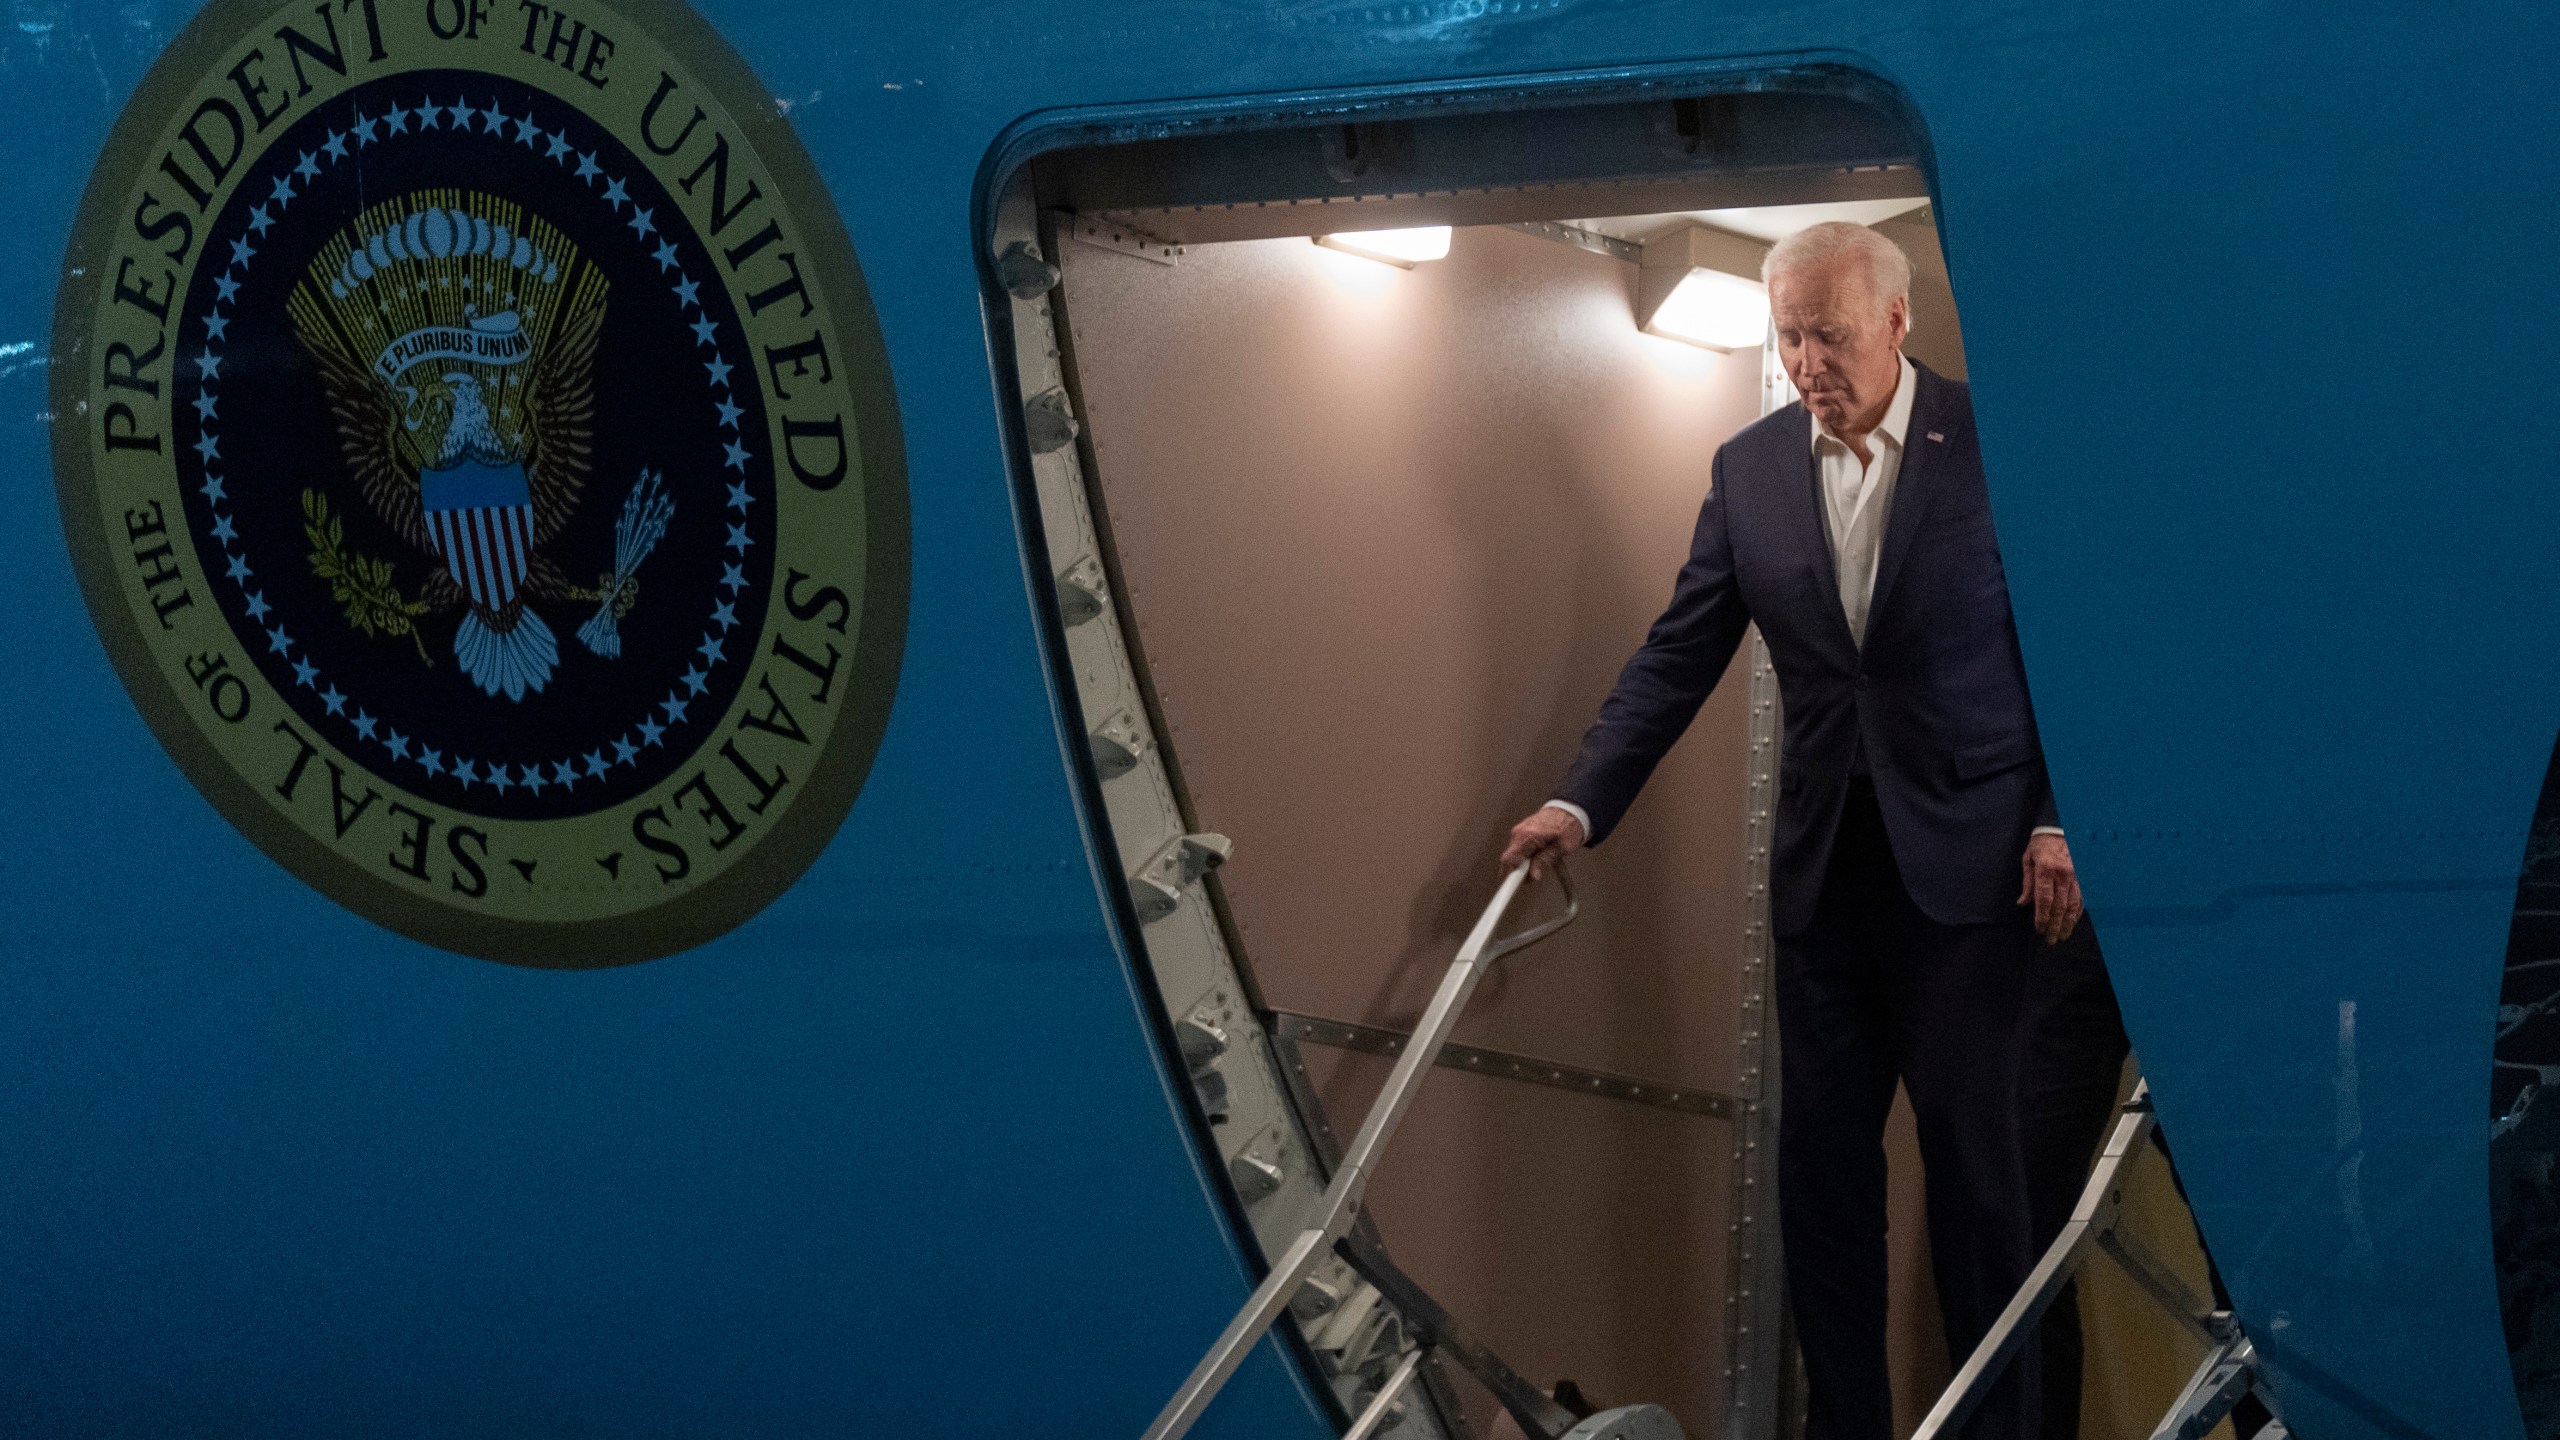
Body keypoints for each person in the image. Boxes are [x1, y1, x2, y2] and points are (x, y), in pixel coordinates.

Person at [1501, 221, 2082, 1440]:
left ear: (1896, 324)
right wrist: (1580, 799)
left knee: (1985, 1186)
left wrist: (2057, 817)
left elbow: (2080, 655)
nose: (1808, 359)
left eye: (1828, 333)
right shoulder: (1751, 466)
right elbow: (1680, 652)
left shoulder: (2006, 440)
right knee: (1821, 1182)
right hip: (1825, 882)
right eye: (1788, 335)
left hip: (1977, 878)